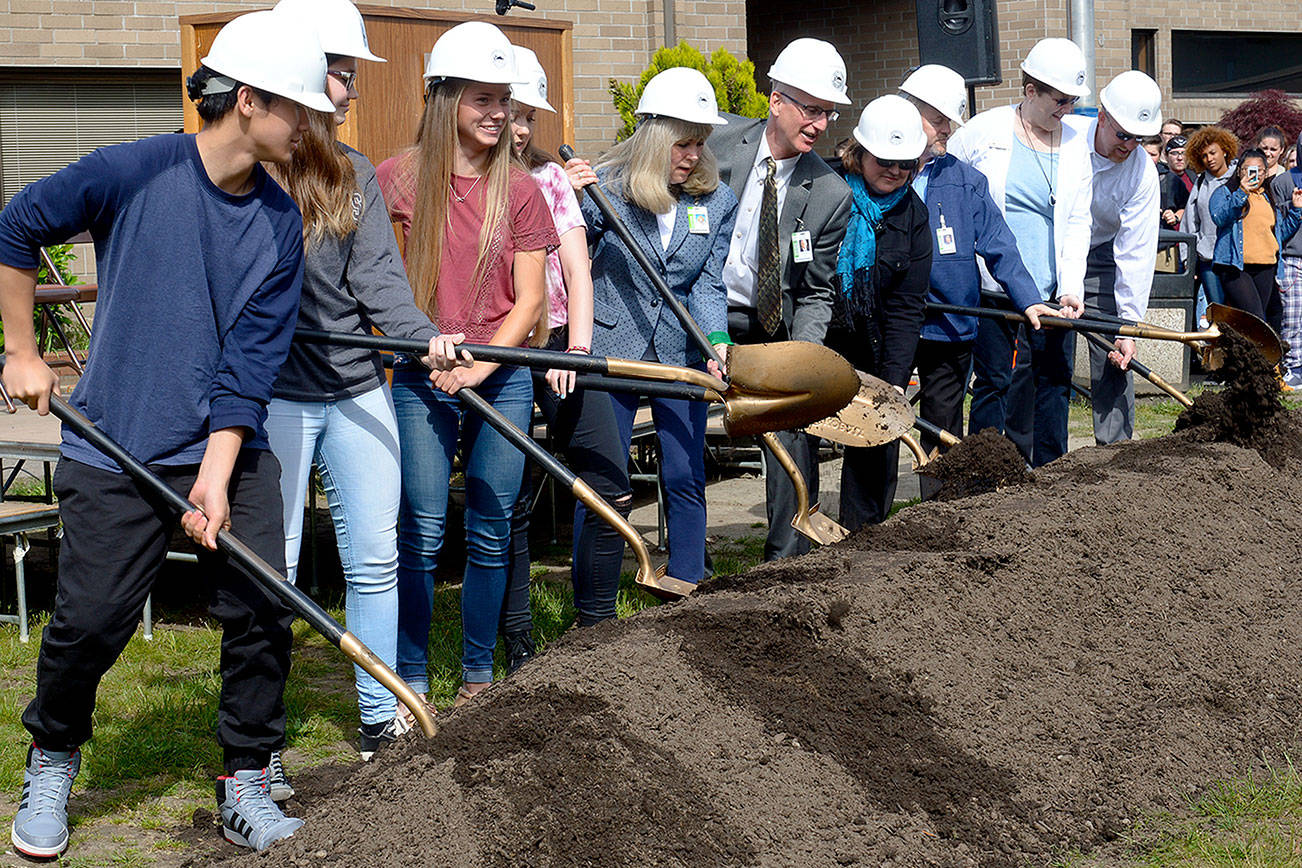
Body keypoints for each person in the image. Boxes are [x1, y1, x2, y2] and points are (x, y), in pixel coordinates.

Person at [0, 10, 331, 855]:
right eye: (300, 108)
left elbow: (250, 369)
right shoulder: (133, 171)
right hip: (114, 441)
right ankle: (53, 753)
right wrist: (20, 351)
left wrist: (216, 474)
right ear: (249, 101)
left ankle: (246, 777)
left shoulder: (279, 225)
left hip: (224, 444)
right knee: (94, 619)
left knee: (262, 605)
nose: (313, 124)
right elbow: (17, 225)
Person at [264, 0, 447, 772]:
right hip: (271, 395)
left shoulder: (355, 173)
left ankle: (380, 719)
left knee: (375, 557)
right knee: (271, 566)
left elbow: (380, 285)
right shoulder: (246, 175)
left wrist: (427, 339)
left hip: (353, 384)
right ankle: (256, 741)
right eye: (342, 75)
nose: (351, 91)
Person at [376, 22, 557, 707]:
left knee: (490, 524)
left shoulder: (521, 191)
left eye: (503, 99)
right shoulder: (397, 181)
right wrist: (428, 348)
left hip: (501, 374)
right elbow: (382, 283)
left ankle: (478, 676)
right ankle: (412, 676)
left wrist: (482, 367)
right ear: (444, 98)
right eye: (481, 98)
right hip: (421, 373)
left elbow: (532, 297)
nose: (497, 112)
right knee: (421, 531)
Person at [567, 66, 736, 590]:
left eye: (700, 144)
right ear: (654, 138)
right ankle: (593, 594)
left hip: (678, 351)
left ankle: (687, 581)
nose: (693, 156)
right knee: (604, 479)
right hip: (610, 343)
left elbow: (706, 286)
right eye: (683, 144)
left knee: (685, 472)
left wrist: (717, 341)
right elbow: (569, 255)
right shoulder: (607, 190)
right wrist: (569, 199)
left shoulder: (715, 201)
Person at [697, 37, 852, 560]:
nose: (820, 123)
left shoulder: (830, 194)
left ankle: (784, 560)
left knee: (792, 429)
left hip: (771, 325)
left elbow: (816, 291)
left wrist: (800, 359)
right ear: (775, 100)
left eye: (829, 113)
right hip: (700, 311)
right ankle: (691, 556)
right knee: (682, 422)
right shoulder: (715, 144)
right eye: (810, 108)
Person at [501, 46, 630, 667]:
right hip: (496, 348)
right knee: (509, 498)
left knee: (608, 479)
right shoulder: (464, 184)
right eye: (512, 111)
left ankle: (595, 626)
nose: (520, 127)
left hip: (557, 341)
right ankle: (517, 640)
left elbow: (579, 273)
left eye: (528, 116)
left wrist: (577, 351)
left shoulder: (552, 180)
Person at [896, 64, 1052, 498]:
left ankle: (940, 508)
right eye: (939, 119)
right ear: (910, 113)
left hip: (950, 325)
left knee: (944, 424)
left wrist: (1028, 299)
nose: (947, 130)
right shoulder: (883, 172)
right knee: (885, 416)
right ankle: (871, 514)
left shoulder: (965, 180)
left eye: (950, 120)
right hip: (893, 324)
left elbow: (999, 243)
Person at [948, 37, 1092, 467]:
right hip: (995, 287)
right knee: (994, 381)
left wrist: (1071, 285)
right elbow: (951, 191)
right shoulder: (985, 132)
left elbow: (1077, 221)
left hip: (1053, 291)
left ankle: (1051, 468)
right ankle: (988, 469)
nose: (1065, 110)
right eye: (1059, 100)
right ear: (1031, 91)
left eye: (1071, 101)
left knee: (1054, 380)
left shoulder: (1074, 145)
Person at [821, 95, 931, 527]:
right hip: (820, 336)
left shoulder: (913, 217)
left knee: (876, 436)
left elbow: (907, 308)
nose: (895, 171)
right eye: (885, 160)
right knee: (798, 441)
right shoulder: (826, 190)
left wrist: (894, 382)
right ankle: (795, 535)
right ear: (859, 152)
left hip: (876, 345)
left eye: (905, 164)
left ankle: (862, 533)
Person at [1064, 71, 1161, 446]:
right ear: (1101, 116)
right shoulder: (1066, 135)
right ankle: (1039, 447)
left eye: (1140, 138)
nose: (1130, 145)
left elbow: (1136, 251)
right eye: (1123, 135)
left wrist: (1129, 326)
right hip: (1048, 245)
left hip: (1100, 251)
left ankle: (1116, 447)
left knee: (1112, 348)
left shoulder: (1142, 173)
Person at [1210, 147, 1302, 329]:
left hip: (1266, 266)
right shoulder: (1225, 192)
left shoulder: (1268, 197)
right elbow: (1219, 217)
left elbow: (1278, 234)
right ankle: (1253, 357)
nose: (1255, 175)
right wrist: (1241, 192)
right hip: (1236, 267)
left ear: (1266, 172)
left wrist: (1296, 210)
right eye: (1249, 170)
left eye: (1260, 171)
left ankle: (1250, 357)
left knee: (1261, 320)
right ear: (1239, 171)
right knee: (1255, 319)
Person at [1180, 125, 1239, 328]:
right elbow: (1189, 222)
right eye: (1204, 156)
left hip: (1235, 258)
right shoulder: (1200, 182)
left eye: (1213, 152)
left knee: (1240, 313)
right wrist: (1187, 257)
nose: (1209, 159)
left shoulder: (1239, 178)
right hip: (1208, 259)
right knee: (1217, 314)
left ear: (1224, 149)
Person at [1269, 129, 1302, 388]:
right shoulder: (1283, 182)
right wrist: (1294, 209)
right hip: (1293, 259)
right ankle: (1292, 366)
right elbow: (1280, 230)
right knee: (1292, 317)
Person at [1161, 134, 1193, 230]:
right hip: (1169, 236)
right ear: (1166, 156)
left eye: (1183, 153)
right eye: (1174, 153)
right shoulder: (1161, 178)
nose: (1180, 158)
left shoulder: (1195, 178)